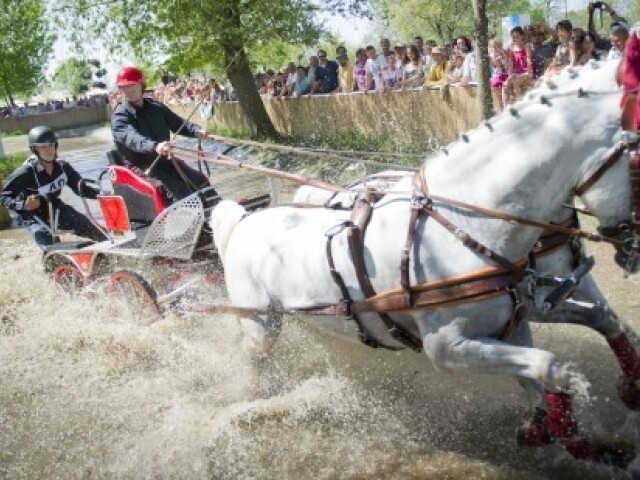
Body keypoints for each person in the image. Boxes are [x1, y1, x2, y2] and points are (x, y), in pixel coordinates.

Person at [111, 66, 213, 203]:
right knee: (179, 192)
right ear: (120, 89)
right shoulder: (119, 116)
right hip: (141, 168)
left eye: (132, 85)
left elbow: (178, 123)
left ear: (141, 85)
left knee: (201, 181)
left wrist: (196, 131)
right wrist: (155, 146)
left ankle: (218, 211)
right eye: (125, 87)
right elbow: (132, 138)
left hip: (165, 161)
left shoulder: (156, 107)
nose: (129, 90)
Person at [0, 126, 106, 249]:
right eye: (43, 146)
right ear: (34, 149)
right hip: (33, 216)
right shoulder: (26, 172)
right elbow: (4, 198)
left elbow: (81, 189)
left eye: (51, 145)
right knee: (52, 250)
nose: (49, 150)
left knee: (97, 231)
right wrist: (23, 205)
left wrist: (103, 194)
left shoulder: (63, 167)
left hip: (56, 208)